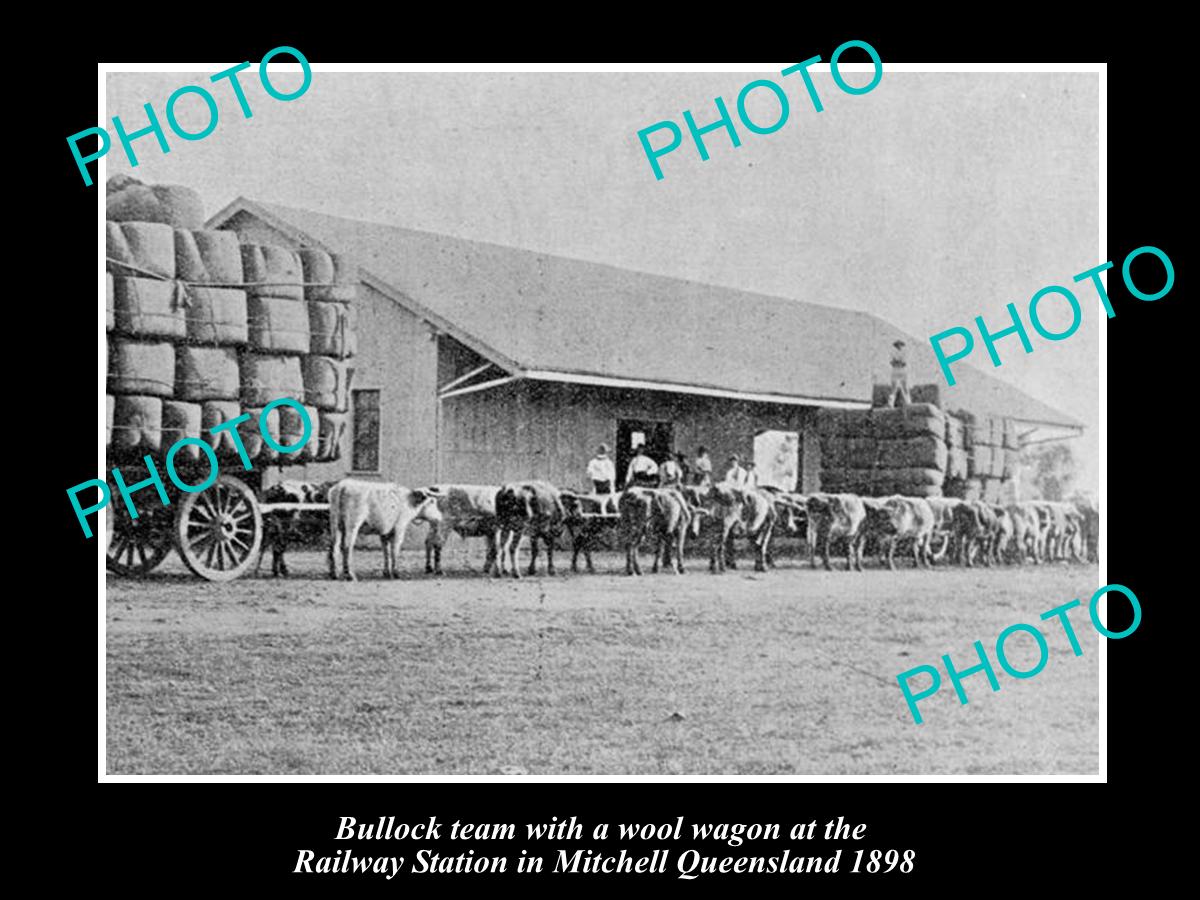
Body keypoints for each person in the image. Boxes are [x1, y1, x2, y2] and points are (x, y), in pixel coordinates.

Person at [887, 339, 911, 407]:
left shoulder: (904, 353)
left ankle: (908, 402)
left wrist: (897, 362)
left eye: (900, 345)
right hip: (895, 370)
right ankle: (891, 403)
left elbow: (904, 363)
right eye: (898, 345)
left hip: (902, 370)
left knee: (905, 387)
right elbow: (892, 363)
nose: (899, 346)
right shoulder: (893, 353)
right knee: (893, 388)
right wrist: (898, 362)